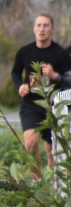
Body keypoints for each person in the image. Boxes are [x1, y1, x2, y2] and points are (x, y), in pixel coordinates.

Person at [10, 13, 71, 172]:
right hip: (31, 105)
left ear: (52, 30)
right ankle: (37, 183)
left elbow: (69, 81)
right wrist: (20, 86)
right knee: (30, 147)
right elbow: (15, 72)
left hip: (54, 106)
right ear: (34, 29)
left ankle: (53, 184)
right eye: (38, 25)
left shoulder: (61, 54)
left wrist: (54, 76)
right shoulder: (24, 52)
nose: (42, 29)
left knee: (53, 152)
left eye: (46, 25)